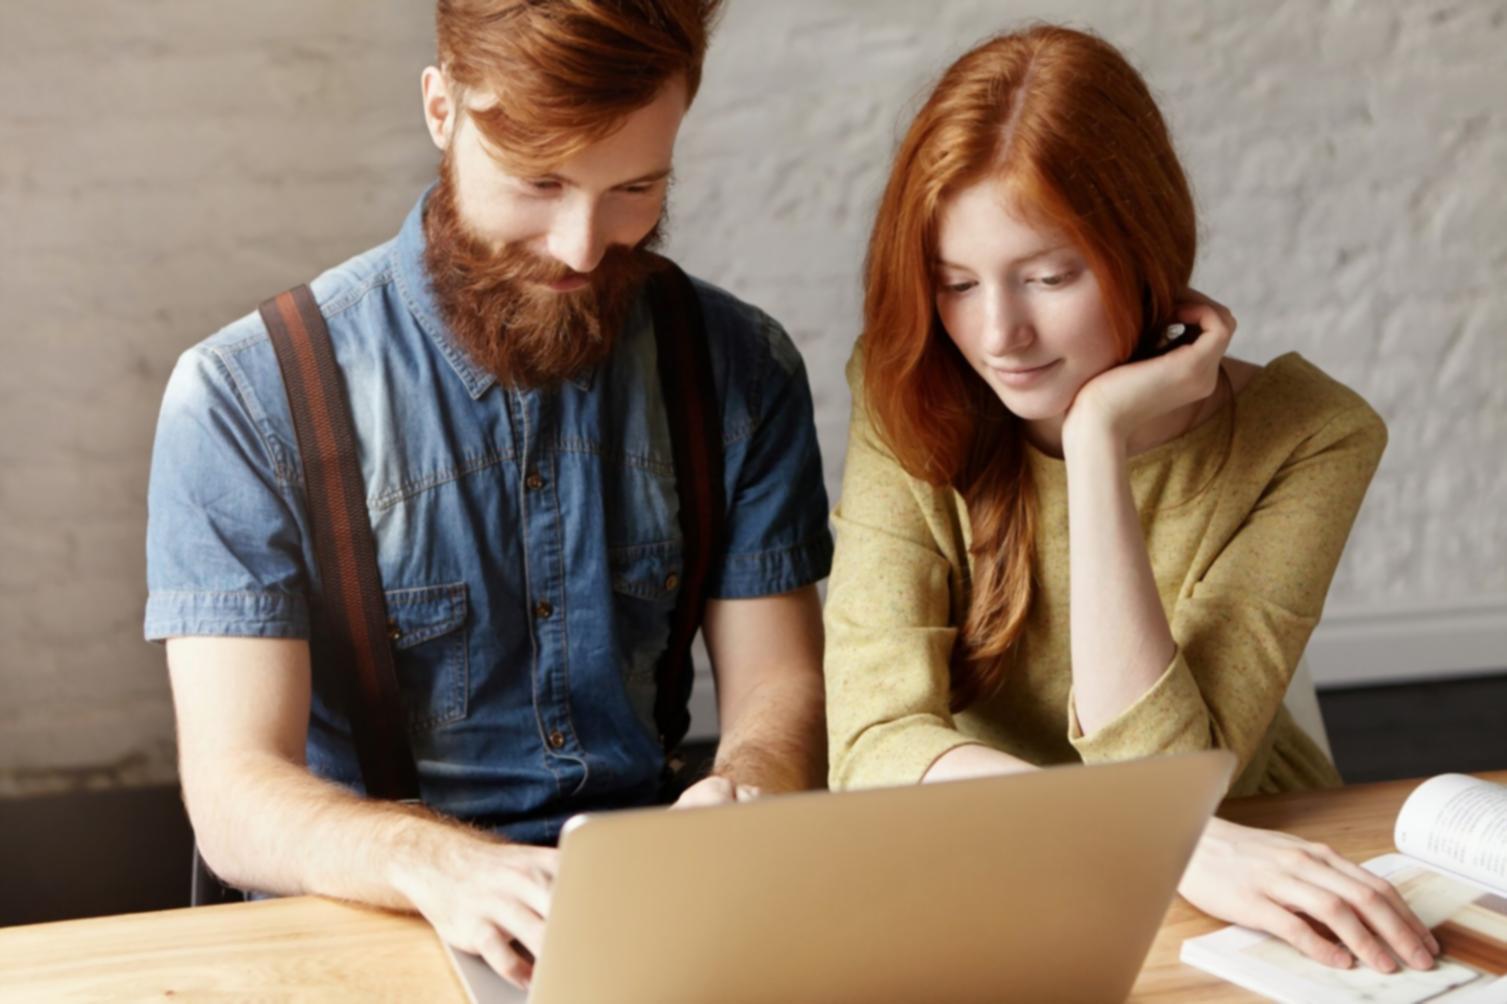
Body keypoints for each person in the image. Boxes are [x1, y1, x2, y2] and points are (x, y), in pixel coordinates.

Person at [145, 0, 831, 989]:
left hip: (650, 926)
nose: (583, 245)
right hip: (366, 928)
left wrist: (749, 785)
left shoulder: (739, 367)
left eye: (635, 187)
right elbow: (234, 792)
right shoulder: (245, 397)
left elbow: (779, 689)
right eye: (539, 181)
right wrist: (440, 864)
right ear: (441, 109)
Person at [824, 24, 1441, 974]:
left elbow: (1169, 785)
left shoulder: (1315, 434)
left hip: (1239, 863)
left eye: (1047, 277)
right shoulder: (908, 388)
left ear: (1142, 248)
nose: (998, 334)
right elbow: (870, 744)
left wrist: (1095, 441)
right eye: (955, 284)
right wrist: (1143, 834)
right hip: (1025, 856)